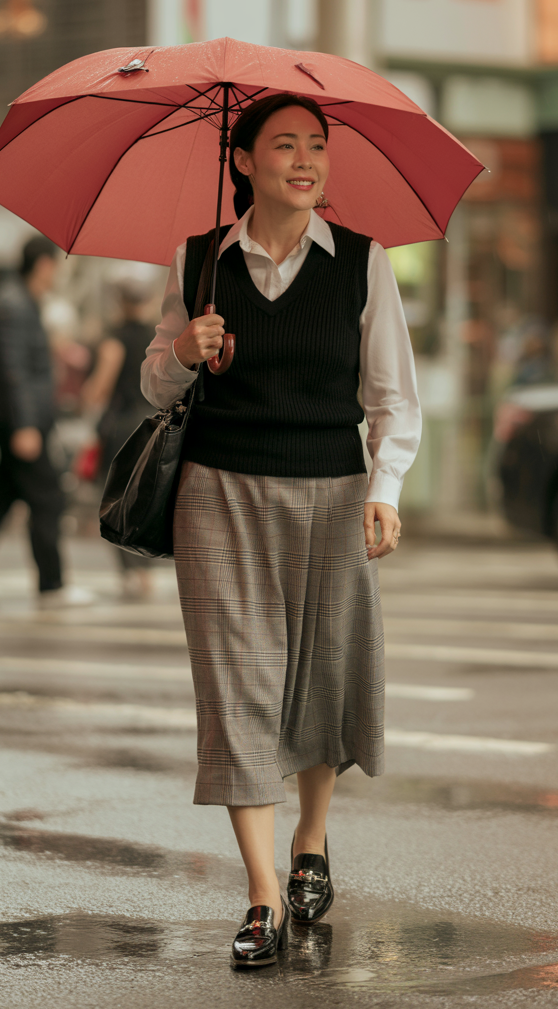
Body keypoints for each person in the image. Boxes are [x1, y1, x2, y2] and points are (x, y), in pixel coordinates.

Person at [142, 93, 421, 968]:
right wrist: (185, 349)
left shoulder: (364, 264)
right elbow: (154, 386)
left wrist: (388, 488)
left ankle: (312, 836)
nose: (305, 161)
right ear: (244, 162)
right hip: (218, 491)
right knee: (238, 687)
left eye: (316, 146)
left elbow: (393, 397)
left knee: (321, 675)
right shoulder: (198, 262)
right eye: (284, 146)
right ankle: (262, 892)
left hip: (333, 493)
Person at [0, 236, 90, 608]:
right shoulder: (13, 305)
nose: (57, 272)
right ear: (43, 265)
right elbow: (13, 373)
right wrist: (25, 425)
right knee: (47, 498)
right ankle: (52, 585)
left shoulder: (22, 303)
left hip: (18, 421)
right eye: (55, 264)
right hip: (19, 424)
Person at [81, 268, 160, 599]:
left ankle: (130, 571)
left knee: (116, 499)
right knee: (149, 498)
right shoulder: (158, 338)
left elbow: (99, 387)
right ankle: (146, 570)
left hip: (124, 426)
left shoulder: (115, 338)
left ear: (120, 301)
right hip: (154, 424)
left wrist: (86, 397)